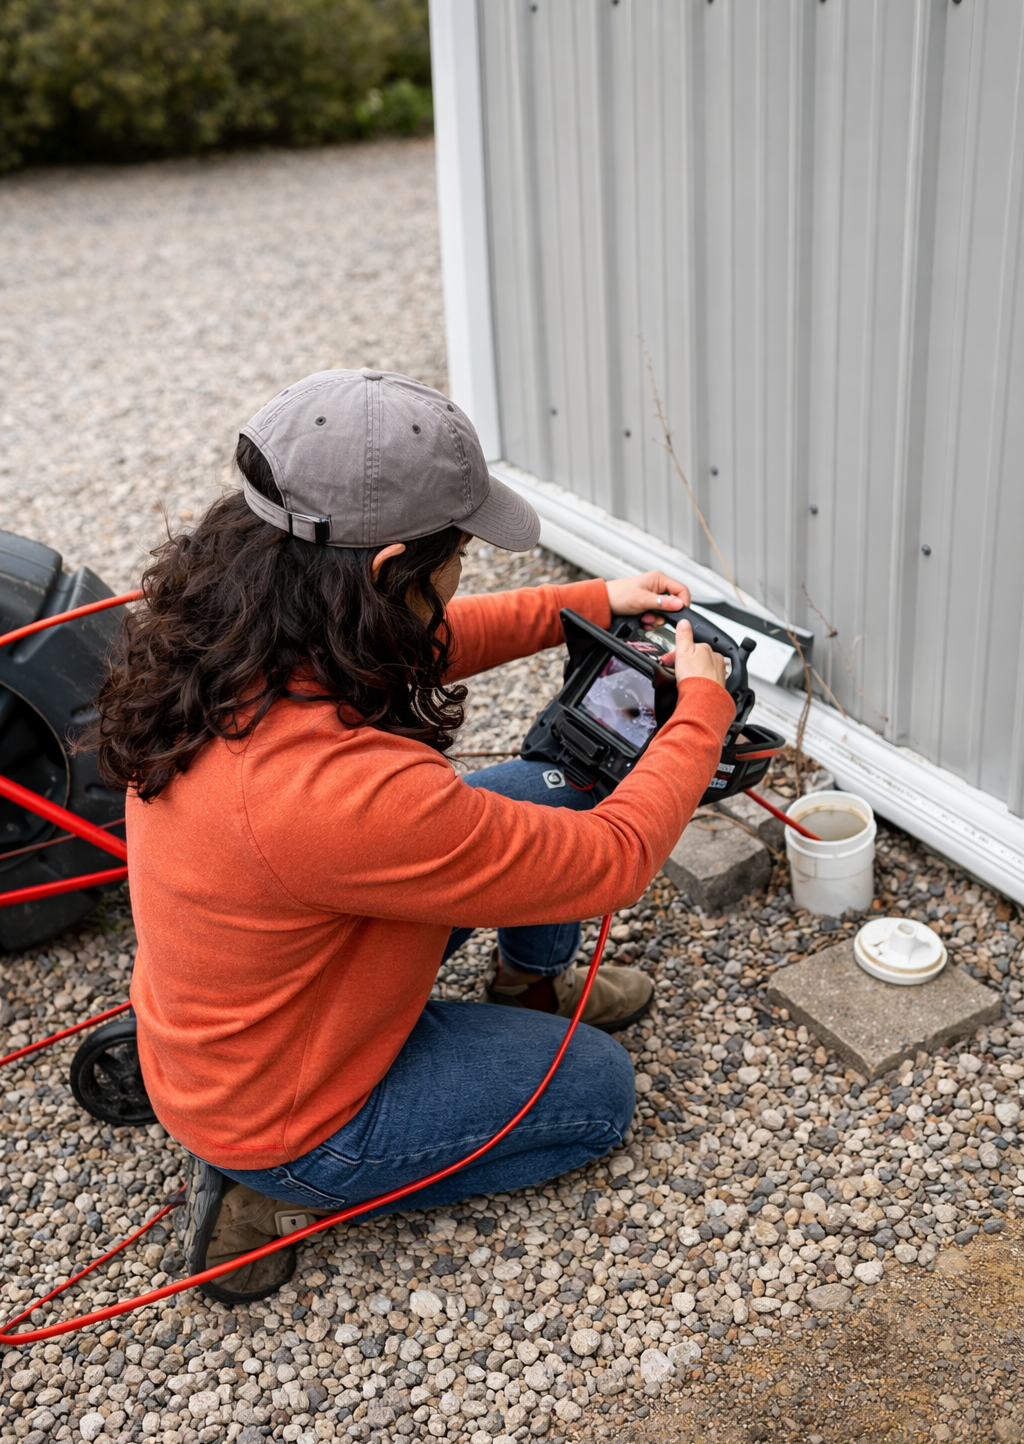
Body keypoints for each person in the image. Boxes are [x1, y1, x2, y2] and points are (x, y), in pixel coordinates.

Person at [96, 368, 732, 1304]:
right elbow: (615, 860)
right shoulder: (336, 794)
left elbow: (421, 642)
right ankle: (283, 1191)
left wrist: (596, 601)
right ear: (388, 572)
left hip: (240, 1024)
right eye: (456, 559)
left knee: (542, 792)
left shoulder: (228, 642)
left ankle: (529, 987)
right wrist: (703, 710)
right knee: (600, 1095)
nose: (459, 575)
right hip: (287, 1116)